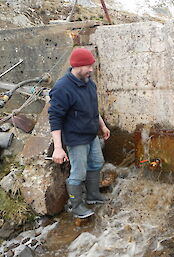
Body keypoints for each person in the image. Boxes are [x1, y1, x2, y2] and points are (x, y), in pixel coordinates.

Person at [48, 47, 110, 219]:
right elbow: (55, 118)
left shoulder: (89, 83)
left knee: (97, 162)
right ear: (77, 66)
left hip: (91, 135)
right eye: (88, 66)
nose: (91, 69)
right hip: (76, 139)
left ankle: (92, 196)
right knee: (78, 173)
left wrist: (103, 126)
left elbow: (93, 109)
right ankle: (76, 206)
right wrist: (58, 148)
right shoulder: (62, 88)